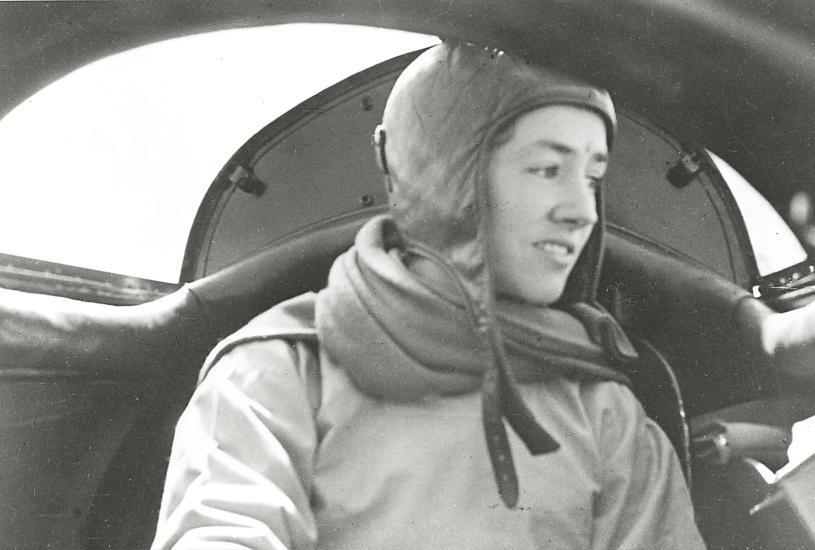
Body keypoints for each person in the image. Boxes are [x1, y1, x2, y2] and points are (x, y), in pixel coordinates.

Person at [152, 41, 706, 549]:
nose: (582, 211)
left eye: (591, 178)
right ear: (442, 173)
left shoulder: (605, 410)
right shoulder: (278, 371)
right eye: (547, 168)